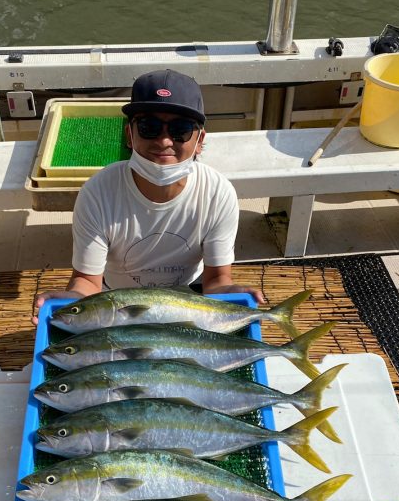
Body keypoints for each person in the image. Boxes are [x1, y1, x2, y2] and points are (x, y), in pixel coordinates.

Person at [33, 68, 264, 323]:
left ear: (200, 140)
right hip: (117, 304)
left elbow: (216, 279)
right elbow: (87, 281)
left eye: (181, 129)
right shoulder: (98, 192)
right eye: (149, 126)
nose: (164, 140)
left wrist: (231, 295)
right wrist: (72, 302)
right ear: (130, 135)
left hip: (189, 299)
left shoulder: (218, 193)